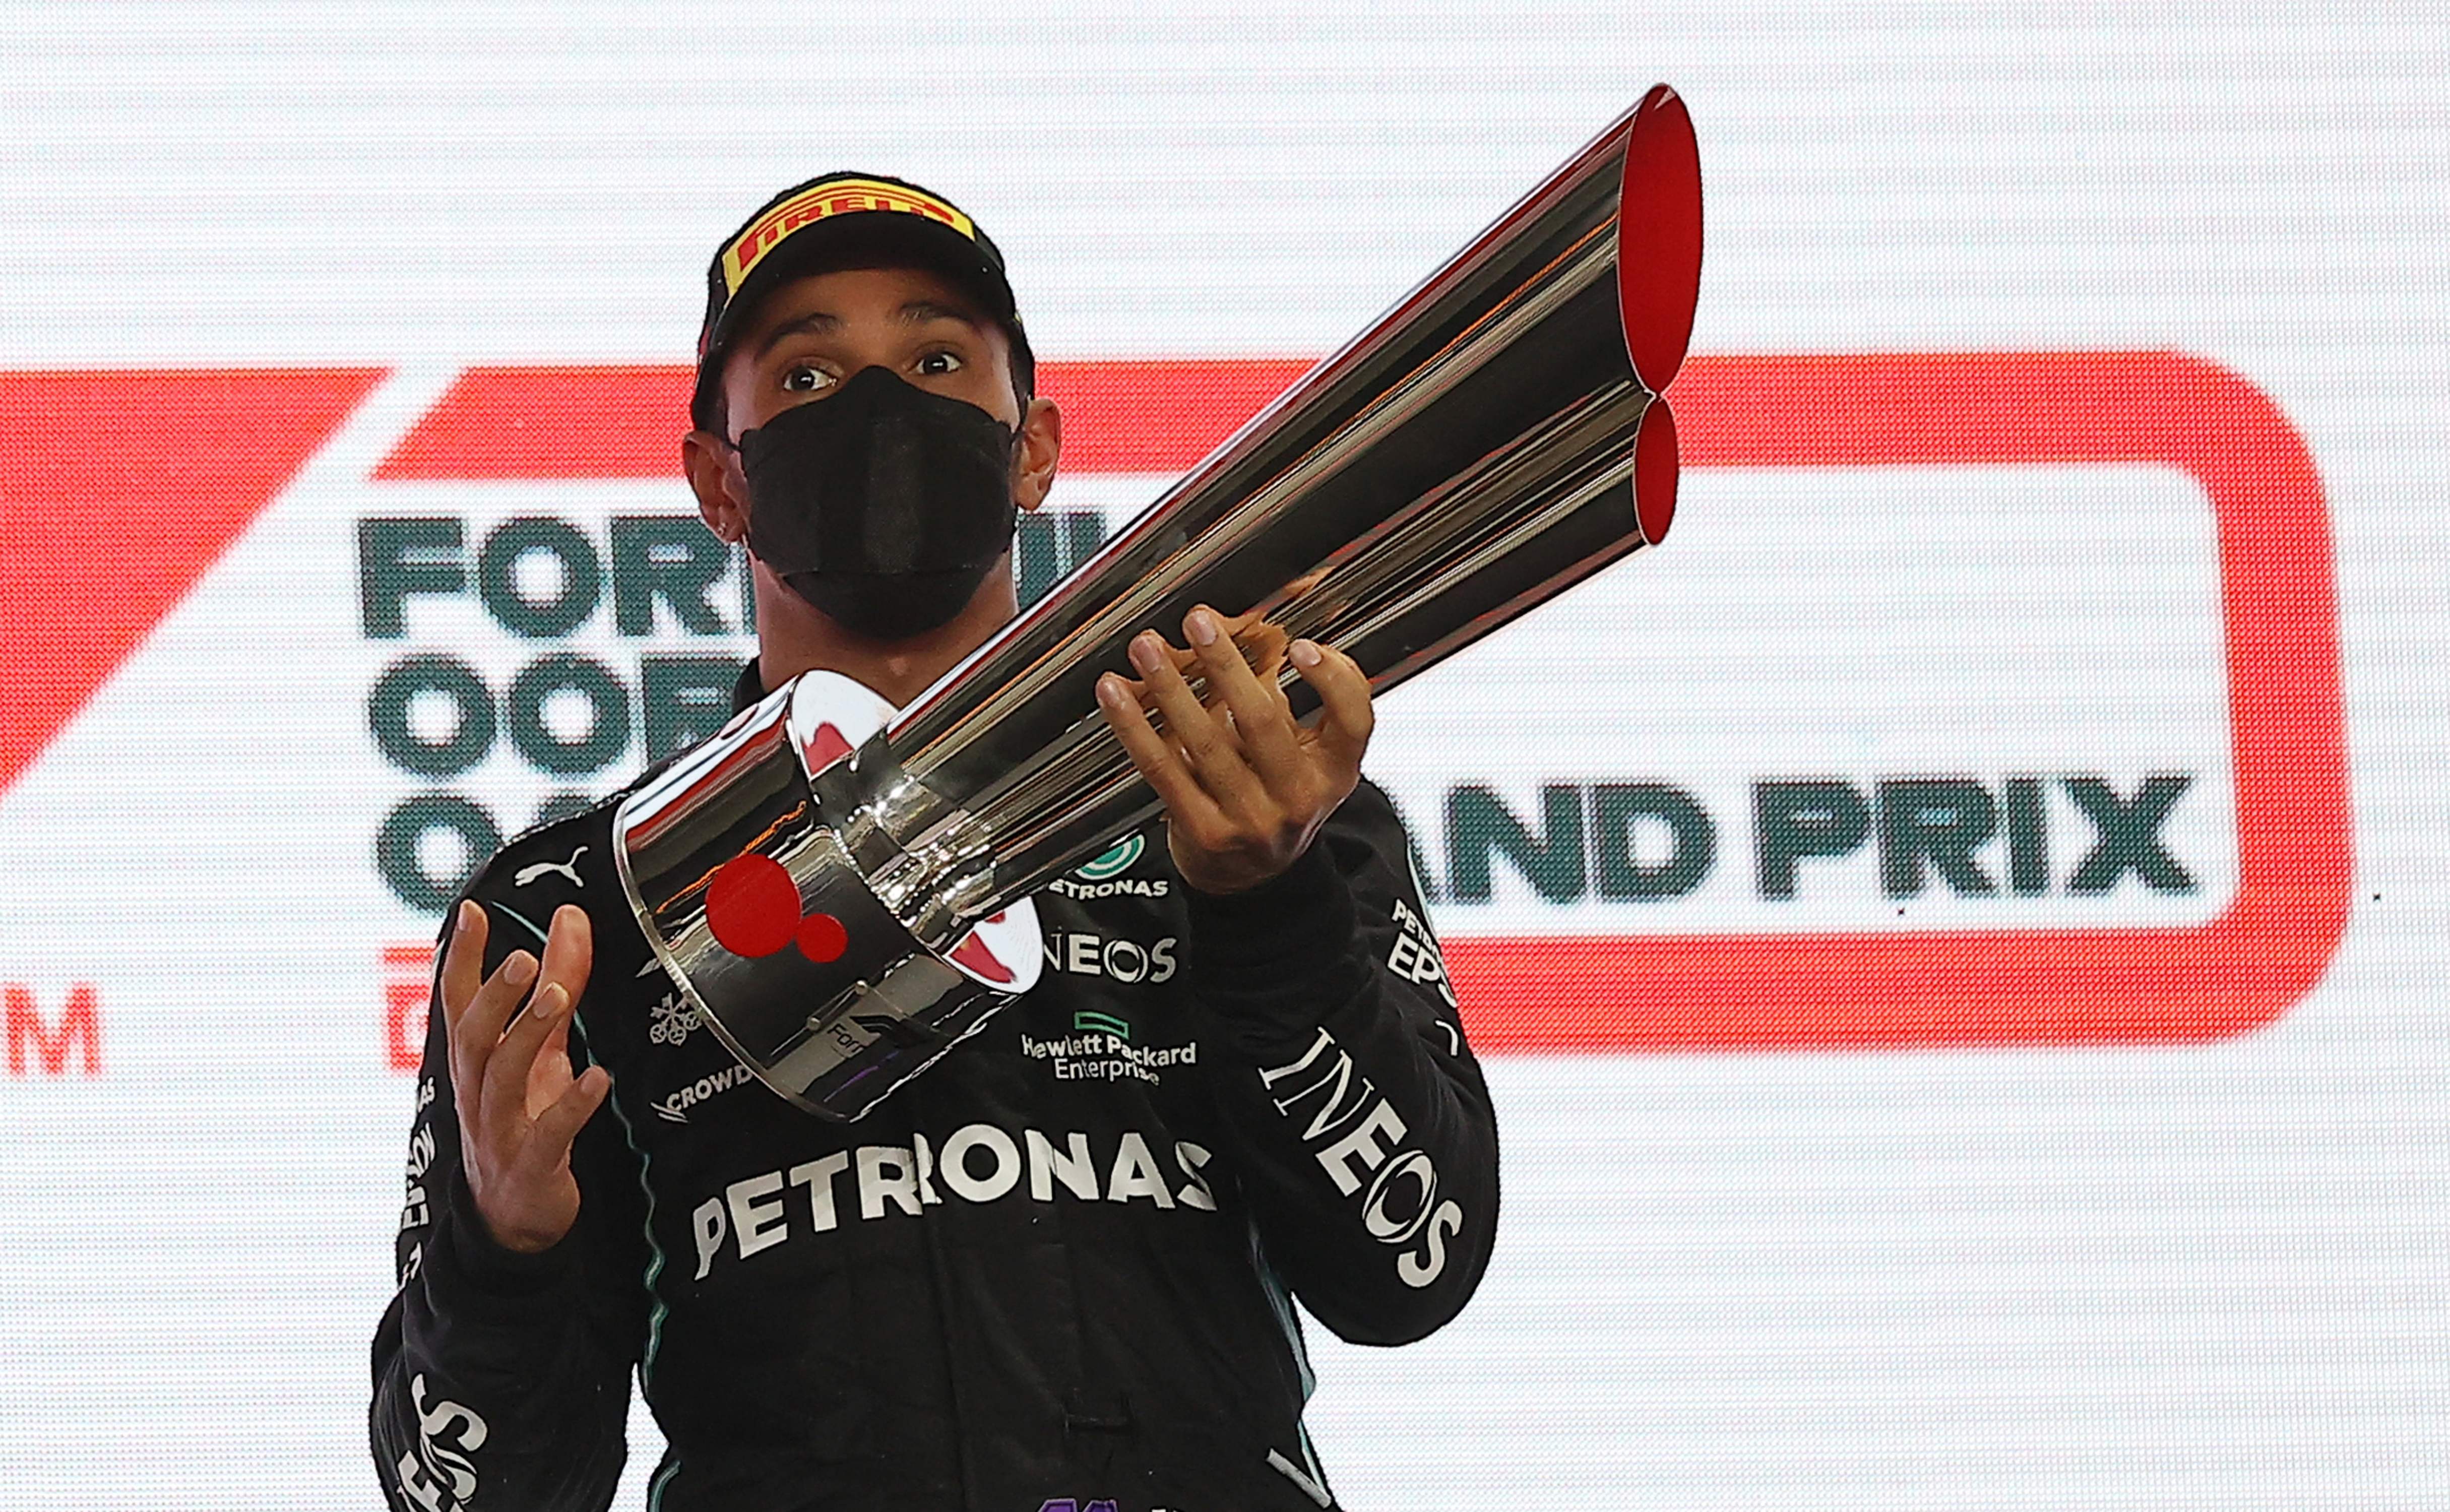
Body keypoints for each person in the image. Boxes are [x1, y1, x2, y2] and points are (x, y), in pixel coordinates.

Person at [370, 173, 1498, 1512]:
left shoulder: (1235, 790)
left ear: (1034, 447)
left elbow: (1410, 1267)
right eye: (807, 378)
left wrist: (1269, 911)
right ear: (715, 484)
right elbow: (463, 1494)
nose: (878, 409)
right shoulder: (579, 906)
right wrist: (503, 1247)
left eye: (937, 358)